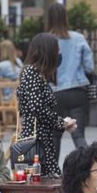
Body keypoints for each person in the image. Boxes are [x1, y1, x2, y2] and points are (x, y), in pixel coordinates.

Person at [17, 33, 77, 177]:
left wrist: (63, 123)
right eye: (57, 50)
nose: (59, 54)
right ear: (48, 52)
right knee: (45, 187)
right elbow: (37, 108)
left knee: (49, 186)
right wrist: (62, 122)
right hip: (36, 141)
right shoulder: (32, 73)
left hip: (43, 140)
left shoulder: (38, 74)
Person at [46, 3, 94, 158]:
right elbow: (89, 66)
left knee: (54, 135)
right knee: (78, 135)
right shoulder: (78, 38)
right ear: (65, 18)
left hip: (54, 92)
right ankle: (89, 169)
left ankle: (53, 174)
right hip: (77, 90)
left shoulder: (46, 40)